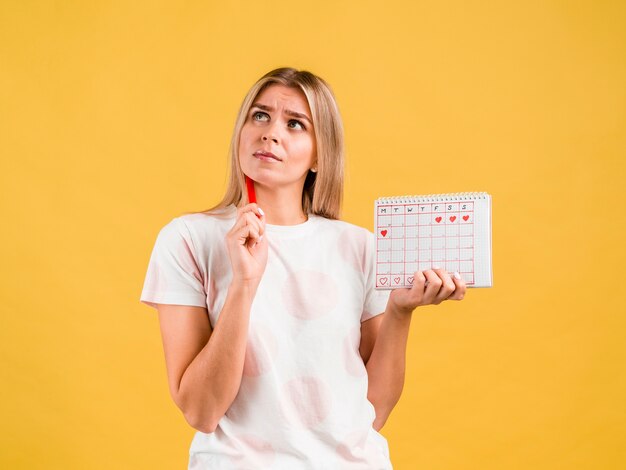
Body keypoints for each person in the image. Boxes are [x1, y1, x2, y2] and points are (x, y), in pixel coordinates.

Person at [140, 67, 466, 469]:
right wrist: (244, 283)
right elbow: (201, 411)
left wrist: (400, 311)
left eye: (295, 124)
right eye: (260, 115)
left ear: (319, 155)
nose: (270, 132)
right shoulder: (188, 240)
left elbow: (372, 415)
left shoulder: (361, 247)